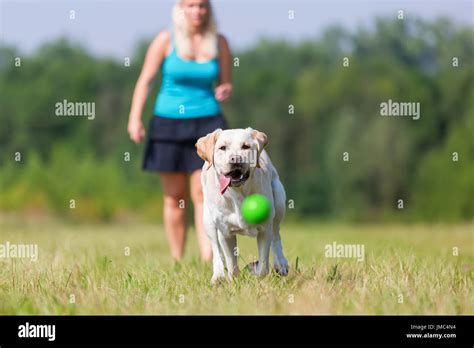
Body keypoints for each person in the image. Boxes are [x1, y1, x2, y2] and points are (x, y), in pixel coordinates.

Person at [127, 0, 232, 262]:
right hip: (168, 124)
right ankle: (177, 258)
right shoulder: (166, 40)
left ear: (209, 10)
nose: (197, 11)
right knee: (174, 196)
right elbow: (145, 80)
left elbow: (225, 82)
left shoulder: (219, 42)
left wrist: (226, 88)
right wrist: (134, 118)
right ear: (181, 8)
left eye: (202, 6)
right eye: (191, 5)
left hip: (208, 126)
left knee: (204, 192)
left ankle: (209, 258)